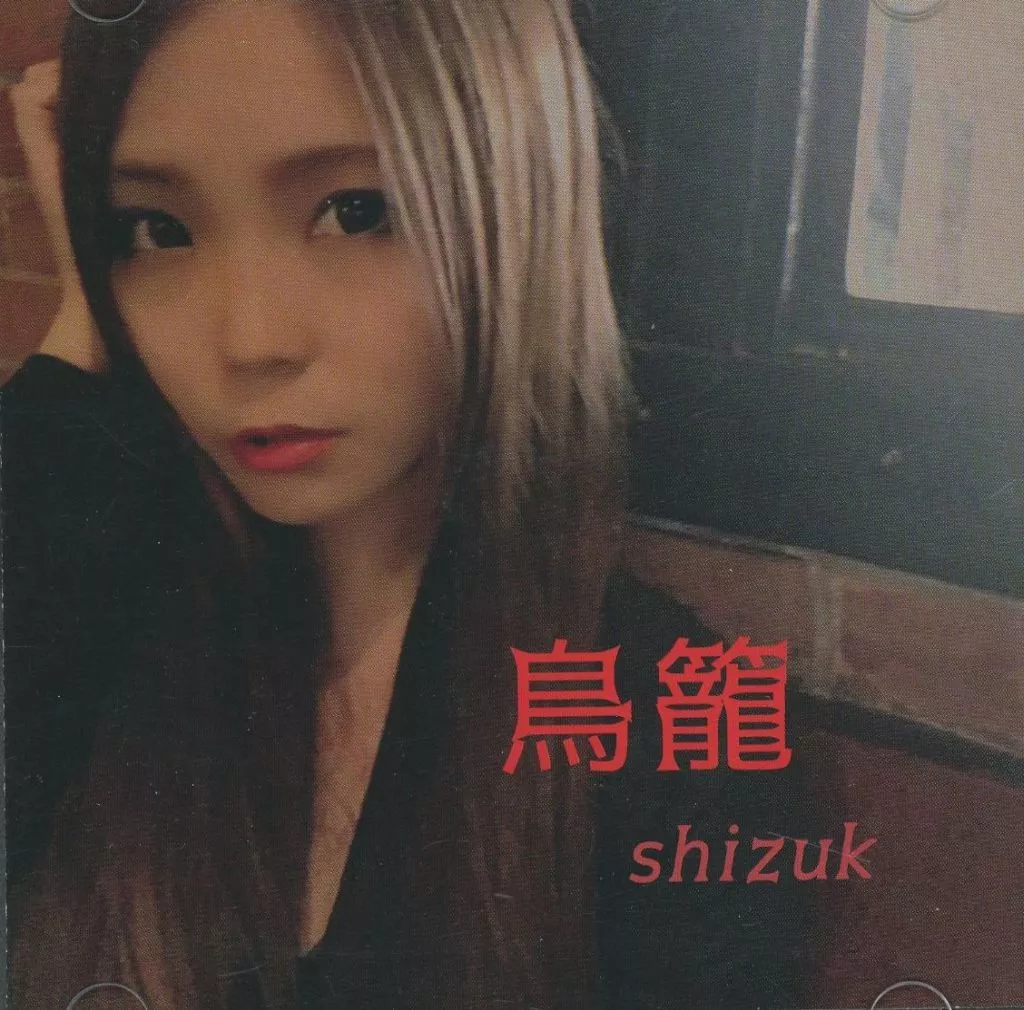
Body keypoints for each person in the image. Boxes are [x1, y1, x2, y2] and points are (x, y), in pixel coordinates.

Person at [3, 1, 816, 1006]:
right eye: (157, 230)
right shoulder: (106, 617)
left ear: (511, 208)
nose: (250, 339)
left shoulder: (672, 728)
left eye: (355, 211)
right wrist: (82, 325)